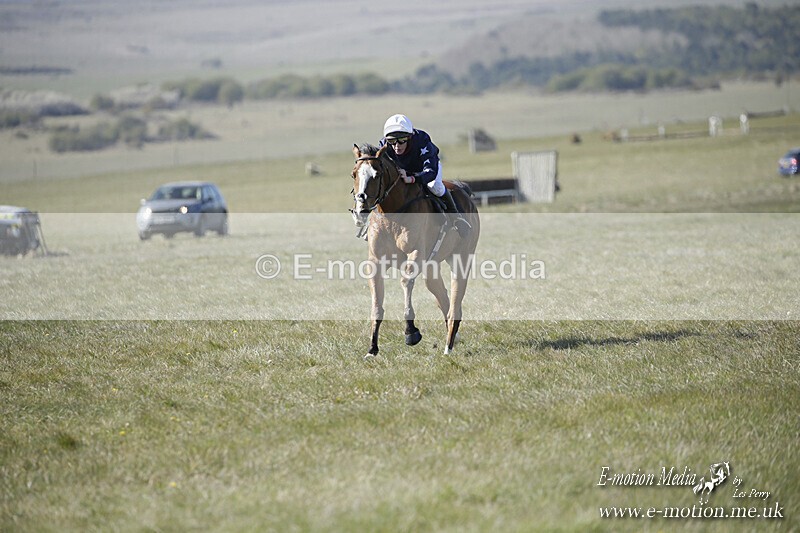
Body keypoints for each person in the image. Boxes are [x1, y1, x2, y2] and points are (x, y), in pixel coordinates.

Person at [379, 114, 471, 237]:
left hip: (425, 169)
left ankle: (456, 218)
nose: (396, 146)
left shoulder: (422, 141)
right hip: (402, 173)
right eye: (392, 141)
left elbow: (431, 172)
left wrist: (412, 178)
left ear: (410, 137)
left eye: (402, 140)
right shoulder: (383, 145)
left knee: (435, 186)